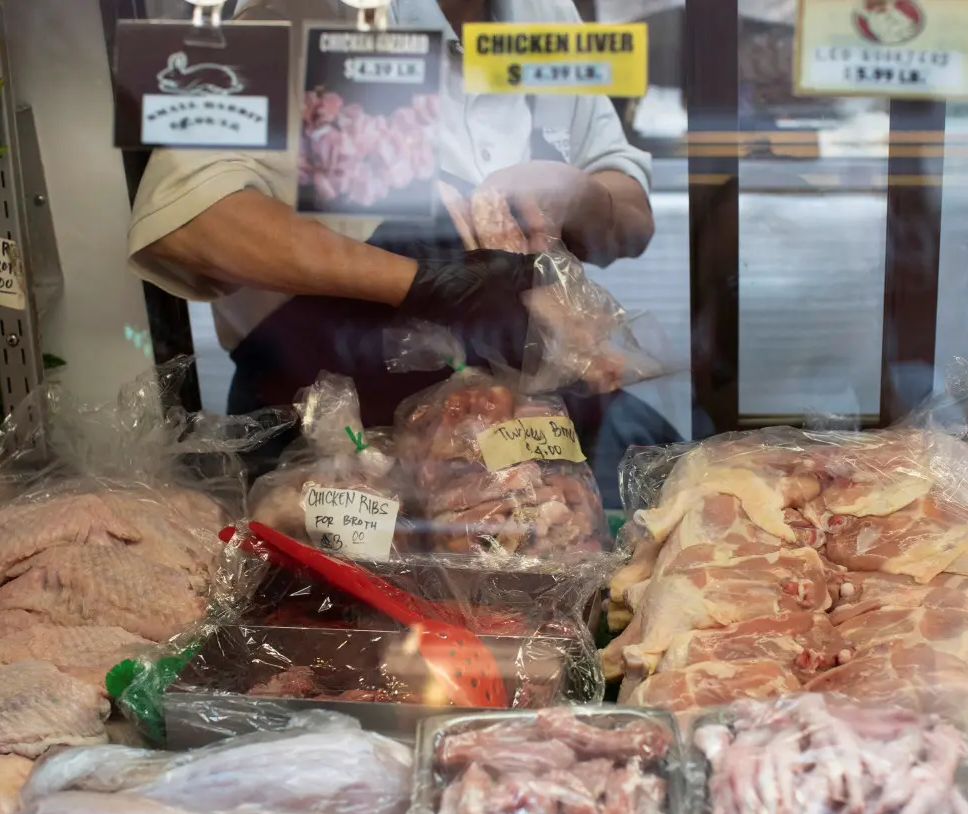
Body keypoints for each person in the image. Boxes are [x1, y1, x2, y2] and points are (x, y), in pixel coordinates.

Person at [127, 0, 656, 468]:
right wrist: (425, 285)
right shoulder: (279, 13)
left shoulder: (547, 15)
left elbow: (634, 220)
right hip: (340, 453)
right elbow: (188, 223)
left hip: (525, 442)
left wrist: (579, 191)